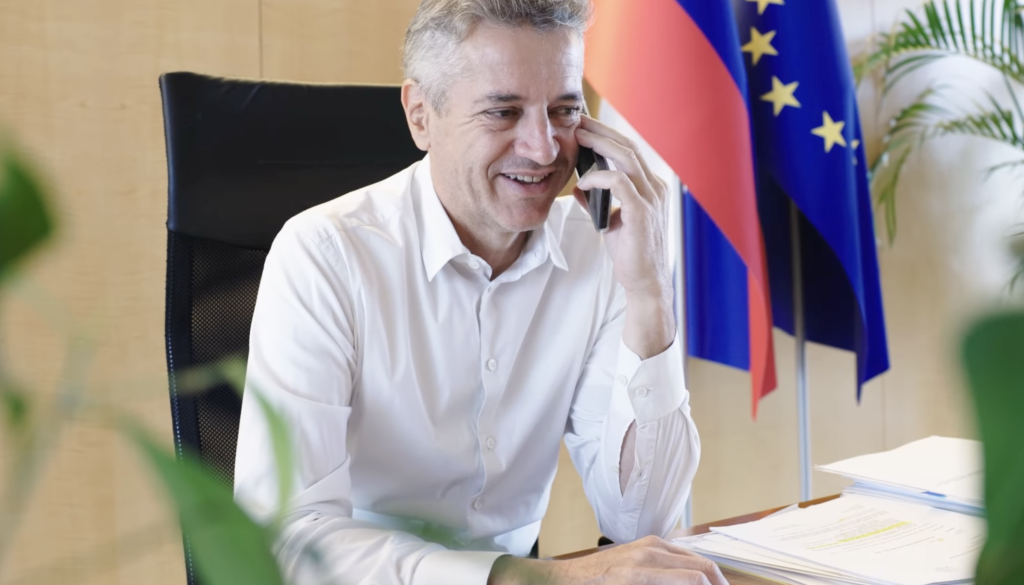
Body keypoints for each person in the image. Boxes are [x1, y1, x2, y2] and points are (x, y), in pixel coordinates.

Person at [234, 1, 725, 584]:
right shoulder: (325, 254)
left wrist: (650, 293)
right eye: (503, 112)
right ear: (421, 116)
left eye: (564, 110)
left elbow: (642, 520)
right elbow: (287, 543)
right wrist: (536, 578)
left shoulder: (602, 248)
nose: (544, 149)